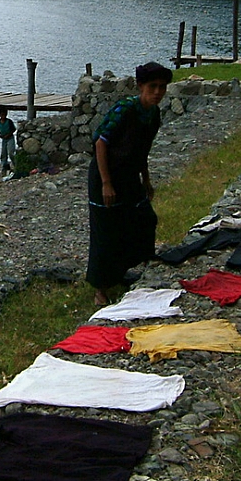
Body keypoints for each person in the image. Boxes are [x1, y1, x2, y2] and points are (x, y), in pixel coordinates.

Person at [86, 62, 172, 304]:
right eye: (152, 87)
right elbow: (101, 143)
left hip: (129, 175)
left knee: (143, 219)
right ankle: (101, 288)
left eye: (162, 88)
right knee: (106, 230)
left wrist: (146, 180)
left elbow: (142, 150)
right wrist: (106, 183)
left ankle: (133, 268)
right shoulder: (124, 110)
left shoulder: (153, 115)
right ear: (141, 86)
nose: (157, 92)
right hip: (106, 175)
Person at [0, 107, 17, 173]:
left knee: (11, 152)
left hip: (10, 138)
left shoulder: (9, 121)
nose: (3, 116)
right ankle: (4, 166)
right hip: (4, 139)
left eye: (4, 115)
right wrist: (1, 135)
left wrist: (8, 134)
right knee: (3, 153)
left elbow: (13, 129)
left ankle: (15, 165)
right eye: (2, 115)